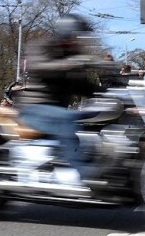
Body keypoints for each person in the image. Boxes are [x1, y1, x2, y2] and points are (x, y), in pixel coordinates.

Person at [17, 14, 99, 180]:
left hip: (56, 110)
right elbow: (39, 67)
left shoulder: (71, 55)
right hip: (34, 109)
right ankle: (84, 172)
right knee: (67, 118)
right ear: (67, 33)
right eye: (78, 35)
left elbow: (82, 86)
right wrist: (74, 62)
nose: (81, 40)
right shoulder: (42, 46)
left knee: (95, 115)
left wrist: (111, 92)